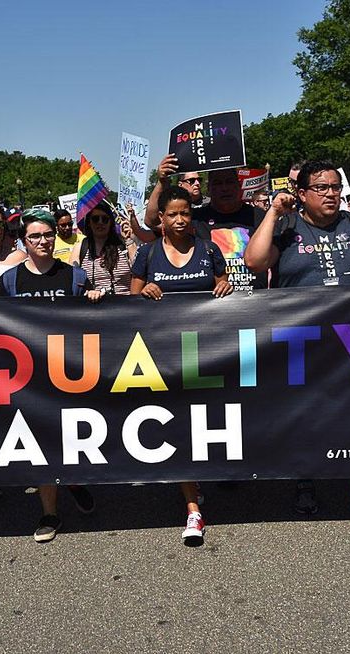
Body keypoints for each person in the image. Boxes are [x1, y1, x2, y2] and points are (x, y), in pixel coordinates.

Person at [244, 161, 350, 539]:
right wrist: (273, 212)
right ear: (301, 194)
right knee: (304, 417)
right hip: (298, 342)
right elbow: (254, 261)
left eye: (335, 186)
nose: (331, 193)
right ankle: (305, 482)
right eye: (320, 187)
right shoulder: (286, 226)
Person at [130, 186, 232, 546]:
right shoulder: (147, 252)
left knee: (210, 421)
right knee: (179, 426)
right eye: (172, 214)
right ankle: (192, 508)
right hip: (164, 355)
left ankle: (215, 474)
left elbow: (223, 283)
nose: (179, 220)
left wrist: (223, 285)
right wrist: (144, 292)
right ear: (160, 219)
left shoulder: (208, 249)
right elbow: (133, 294)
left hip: (208, 354)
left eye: (185, 214)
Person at [0, 208, 102, 543]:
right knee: (40, 443)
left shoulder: (75, 277)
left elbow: (95, 323)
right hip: (30, 379)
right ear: (23, 242)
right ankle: (50, 513)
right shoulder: (8, 281)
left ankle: (74, 479)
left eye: (47, 235)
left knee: (74, 437)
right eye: (35, 237)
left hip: (71, 373)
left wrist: (95, 299)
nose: (42, 241)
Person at [147, 156, 266, 294]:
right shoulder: (196, 218)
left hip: (256, 300)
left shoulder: (259, 216)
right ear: (208, 188)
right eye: (217, 183)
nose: (224, 188)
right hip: (213, 303)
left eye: (229, 182)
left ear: (238, 186)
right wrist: (162, 181)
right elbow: (152, 221)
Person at [69, 202, 137, 295]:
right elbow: (72, 278)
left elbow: (138, 270)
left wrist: (129, 240)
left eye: (104, 219)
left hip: (124, 306)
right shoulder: (81, 247)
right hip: (93, 307)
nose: (100, 223)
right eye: (95, 219)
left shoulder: (122, 244)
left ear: (111, 222)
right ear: (89, 222)